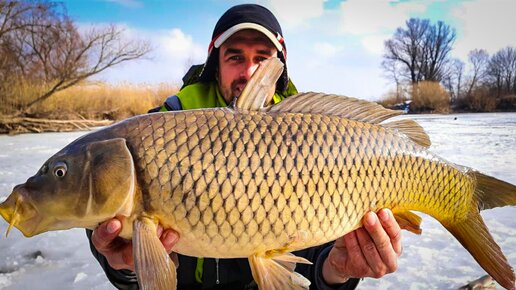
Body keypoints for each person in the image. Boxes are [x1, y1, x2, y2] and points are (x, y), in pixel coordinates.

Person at [87, 4, 402, 290]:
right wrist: (125, 266)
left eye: (262, 59)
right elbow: (118, 253)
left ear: (276, 71)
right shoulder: (156, 128)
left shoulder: (312, 138)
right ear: (215, 64)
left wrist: (337, 271)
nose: (249, 72)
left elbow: (319, 271)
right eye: (235, 57)